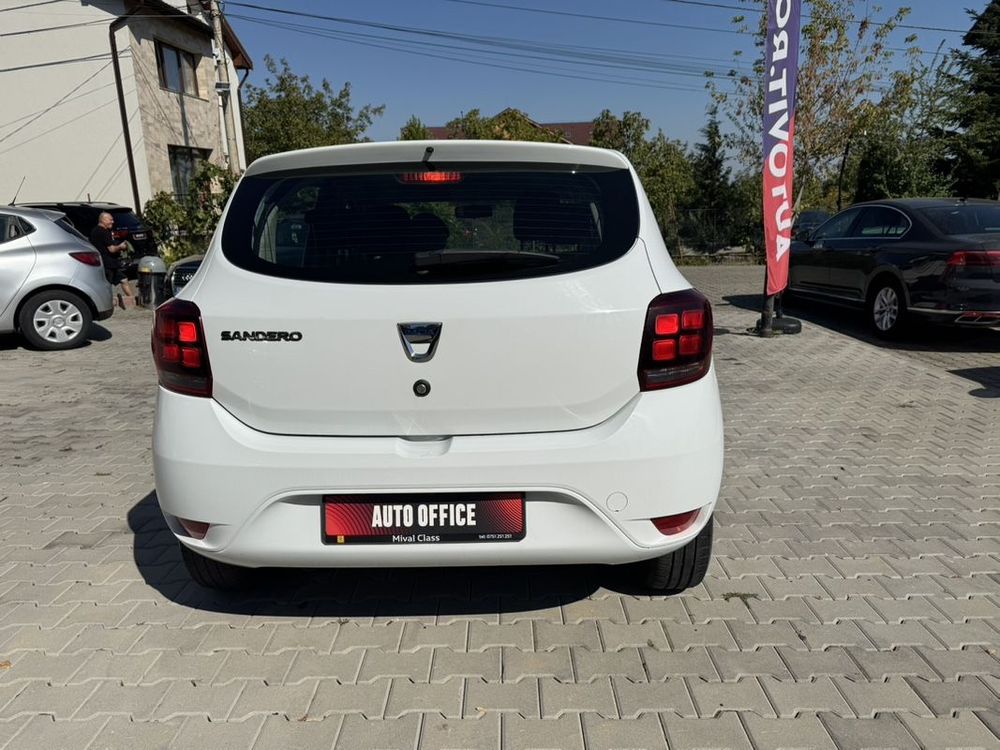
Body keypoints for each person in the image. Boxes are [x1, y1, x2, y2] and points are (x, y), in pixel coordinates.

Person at [89, 212, 133, 308]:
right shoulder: (102, 232)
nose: (112, 222)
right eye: (110, 220)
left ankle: (131, 300)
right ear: (103, 220)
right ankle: (106, 303)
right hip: (106, 263)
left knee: (124, 280)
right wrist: (121, 247)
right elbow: (112, 249)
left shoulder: (103, 231)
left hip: (112, 263)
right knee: (107, 285)